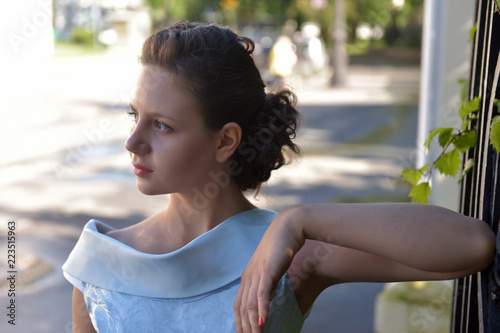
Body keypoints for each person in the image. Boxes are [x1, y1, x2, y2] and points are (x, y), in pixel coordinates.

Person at [62, 22, 495, 333]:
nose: (132, 141)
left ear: (225, 141)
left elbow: (473, 244)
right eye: (135, 116)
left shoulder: (296, 254)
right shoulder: (100, 266)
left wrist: (298, 220)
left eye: (162, 126)